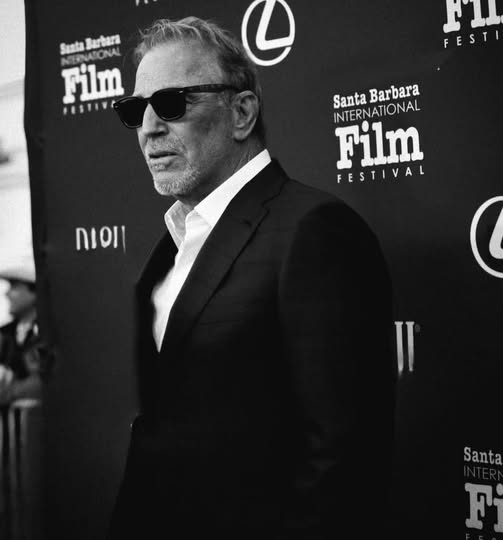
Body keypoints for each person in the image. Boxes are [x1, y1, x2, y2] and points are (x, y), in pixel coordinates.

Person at [108, 16, 396, 539]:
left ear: (241, 112)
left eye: (171, 104)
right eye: (135, 109)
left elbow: (342, 456)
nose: (148, 127)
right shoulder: (172, 244)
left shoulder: (313, 230)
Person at [0, 269, 45, 405]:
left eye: (14, 287)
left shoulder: (48, 334)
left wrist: (9, 391)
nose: (7, 294)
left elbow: (44, 380)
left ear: (34, 292)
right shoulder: (5, 334)